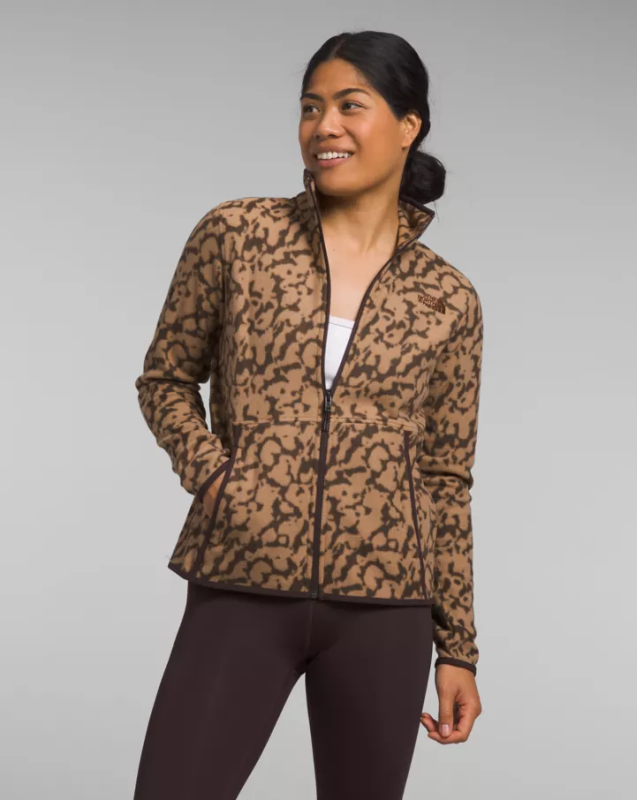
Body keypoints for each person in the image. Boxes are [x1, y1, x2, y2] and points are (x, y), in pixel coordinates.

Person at [132, 29, 484, 800]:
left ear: (408, 125)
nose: (324, 125)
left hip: (388, 607)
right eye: (310, 107)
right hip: (242, 579)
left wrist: (456, 647)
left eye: (350, 106)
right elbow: (165, 379)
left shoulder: (447, 298)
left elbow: (444, 479)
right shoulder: (239, 236)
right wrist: (216, 478)